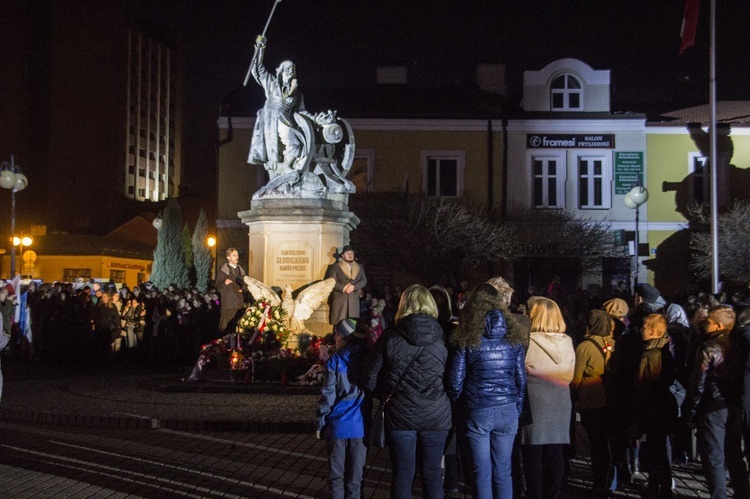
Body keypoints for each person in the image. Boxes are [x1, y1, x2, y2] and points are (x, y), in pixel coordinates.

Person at [362, 284, 451, 499]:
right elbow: (453, 377)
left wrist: (385, 395)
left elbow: (369, 376)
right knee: (432, 474)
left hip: (400, 413)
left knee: (403, 475)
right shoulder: (444, 337)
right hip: (436, 414)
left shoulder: (391, 336)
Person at [447, 283, 526, 499]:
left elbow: (455, 382)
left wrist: (462, 404)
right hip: (508, 408)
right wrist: (516, 407)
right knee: (504, 472)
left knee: (481, 473)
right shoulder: (514, 337)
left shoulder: (466, 336)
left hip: (478, 409)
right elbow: (521, 379)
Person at [685, 305, 750, 499]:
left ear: (718, 325)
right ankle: (742, 493)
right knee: (734, 453)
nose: (705, 324)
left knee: (714, 456)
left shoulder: (709, 347)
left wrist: (691, 411)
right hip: (735, 404)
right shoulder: (741, 344)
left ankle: (719, 495)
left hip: (713, 406)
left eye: (709, 322)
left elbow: (698, 383)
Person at [522, 297, 575, 499]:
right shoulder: (567, 342)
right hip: (561, 401)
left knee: (533, 453)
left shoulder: (528, 341)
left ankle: (534, 493)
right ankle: (553, 493)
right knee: (556, 452)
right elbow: (570, 373)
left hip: (535, 403)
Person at [316, 318, 369, 499]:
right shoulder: (367, 359)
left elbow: (328, 395)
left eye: (337, 334)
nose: (335, 339)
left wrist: (320, 422)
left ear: (345, 337)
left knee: (336, 475)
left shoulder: (334, 361)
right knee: (355, 478)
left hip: (337, 425)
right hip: (360, 427)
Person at [248, 34, 311, 177]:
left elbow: (301, 112)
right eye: (288, 69)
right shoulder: (271, 83)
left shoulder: (297, 94)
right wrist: (260, 49)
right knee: (271, 151)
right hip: (270, 119)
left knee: (296, 143)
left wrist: (316, 120)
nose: (292, 72)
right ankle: (276, 174)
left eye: (293, 69)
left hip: (284, 120)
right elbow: (257, 70)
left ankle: (287, 168)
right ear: (281, 72)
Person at [631, 314, 677, 499]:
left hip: (652, 408)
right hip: (664, 405)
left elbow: (642, 385)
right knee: (659, 448)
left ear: (652, 331)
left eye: (643, 327)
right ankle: (658, 486)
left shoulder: (650, 354)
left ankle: (660, 489)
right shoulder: (666, 349)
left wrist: (636, 413)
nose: (641, 330)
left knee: (656, 450)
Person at [573, 309, 617, 496]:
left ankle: (598, 482)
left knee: (596, 443)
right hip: (611, 397)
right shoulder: (614, 343)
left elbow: (576, 378)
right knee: (608, 442)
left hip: (592, 398)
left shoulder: (585, 347)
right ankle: (609, 481)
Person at [325, 246, 367, 330]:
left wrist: (354, 287)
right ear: (343, 256)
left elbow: (364, 280)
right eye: (347, 253)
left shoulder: (359, 267)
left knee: (352, 324)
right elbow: (331, 281)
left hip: (353, 301)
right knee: (339, 325)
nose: (350, 255)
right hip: (340, 300)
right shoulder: (336, 267)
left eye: (352, 253)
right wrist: (344, 288)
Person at [215, 248, 247, 335]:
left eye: (237, 255)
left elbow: (245, 284)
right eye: (234, 255)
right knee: (226, 328)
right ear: (228, 257)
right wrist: (224, 283)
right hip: (228, 304)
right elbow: (217, 285)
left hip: (239, 303)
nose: (237, 257)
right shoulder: (223, 270)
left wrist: (243, 289)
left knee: (238, 326)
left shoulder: (241, 270)